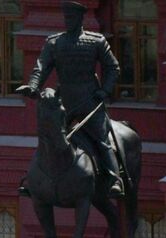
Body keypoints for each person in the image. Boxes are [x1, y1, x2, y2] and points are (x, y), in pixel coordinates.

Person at [17, 1, 124, 198]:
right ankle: (33, 178)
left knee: (102, 140)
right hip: (64, 102)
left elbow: (113, 68)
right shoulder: (54, 42)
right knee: (48, 136)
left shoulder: (96, 41)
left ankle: (115, 179)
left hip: (89, 100)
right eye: (66, 18)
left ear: (80, 19)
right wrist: (32, 87)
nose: (68, 21)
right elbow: (40, 68)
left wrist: (105, 91)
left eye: (72, 18)